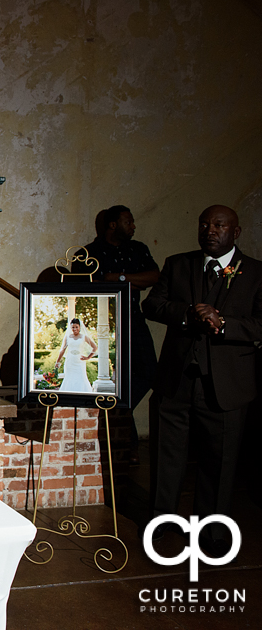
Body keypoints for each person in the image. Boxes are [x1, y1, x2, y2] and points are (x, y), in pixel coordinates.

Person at [142, 205, 262, 554]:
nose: (210, 230)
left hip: (226, 387)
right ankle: (160, 525)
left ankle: (211, 533)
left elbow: (260, 324)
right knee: (167, 458)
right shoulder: (178, 264)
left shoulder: (255, 273)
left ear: (235, 233)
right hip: (175, 382)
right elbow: (152, 306)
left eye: (220, 225)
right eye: (205, 224)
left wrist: (223, 324)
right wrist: (187, 313)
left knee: (219, 463)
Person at [81, 205, 160, 463]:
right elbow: (85, 287)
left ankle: (119, 411)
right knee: (112, 381)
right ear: (113, 225)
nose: (134, 226)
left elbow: (154, 277)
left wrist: (120, 277)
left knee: (149, 373)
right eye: (129, 221)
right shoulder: (88, 254)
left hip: (134, 321)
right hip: (103, 326)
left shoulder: (138, 249)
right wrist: (121, 280)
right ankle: (129, 446)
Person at [53, 318, 97, 392]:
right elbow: (62, 350)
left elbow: (94, 347)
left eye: (76, 327)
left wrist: (88, 357)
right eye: (73, 327)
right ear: (71, 327)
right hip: (70, 362)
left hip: (80, 362)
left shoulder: (84, 337)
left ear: (79, 327)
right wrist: (57, 362)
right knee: (69, 378)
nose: (75, 329)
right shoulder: (67, 337)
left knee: (81, 378)